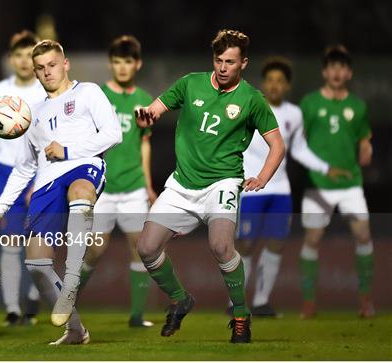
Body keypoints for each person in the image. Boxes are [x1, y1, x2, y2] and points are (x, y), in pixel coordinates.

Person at [134, 29, 285, 343]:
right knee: (146, 248)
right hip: (181, 184)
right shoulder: (191, 83)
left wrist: (262, 177)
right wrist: (147, 117)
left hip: (223, 183)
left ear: (243, 63)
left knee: (220, 246)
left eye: (230, 61)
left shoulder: (252, 99)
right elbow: (155, 109)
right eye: (219, 60)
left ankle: (241, 314)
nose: (223, 67)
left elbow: (277, 145)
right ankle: (179, 299)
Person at [0, 40, 122, 344]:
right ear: (35, 72)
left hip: (83, 165)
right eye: (41, 68)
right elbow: (23, 168)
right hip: (47, 182)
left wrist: (68, 150)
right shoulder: (31, 115)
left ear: (65, 63)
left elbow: (113, 134)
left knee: (81, 191)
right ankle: (75, 331)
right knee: (36, 264)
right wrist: (0, 206)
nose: (48, 72)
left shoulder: (88, 92)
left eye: (52, 65)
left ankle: (72, 277)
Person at [233, 57, 352, 317]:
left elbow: (298, 149)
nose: (275, 85)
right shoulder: (250, 107)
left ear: (287, 86)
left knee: (276, 243)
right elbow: (235, 145)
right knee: (246, 244)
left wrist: (325, 168)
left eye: (280, 81)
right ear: (263, 83)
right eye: (270, 80)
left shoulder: (294, 114)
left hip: (280, 191)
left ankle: (262, 301)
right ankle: (237, 301)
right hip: (251, 189)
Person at [78, 35, 156, 328]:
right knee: (96, 248)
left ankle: (137, 315)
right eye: (117, 62)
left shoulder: (145, 99)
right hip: (104, 187)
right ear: (110, 64)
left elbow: (145, 143)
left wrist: (148, 184)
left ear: (137, 64)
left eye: (128, 62)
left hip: (134, 186)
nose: (122, 68)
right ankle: (68, 302)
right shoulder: (97, 96)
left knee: (141, 249)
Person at [299, 45, 375, 319]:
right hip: (318, 184)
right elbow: (298, 137)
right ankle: (308, 303)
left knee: (363, 235)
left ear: (349, 72)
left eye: (342, 66)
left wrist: (367, 147)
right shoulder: (309, 103)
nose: (336, 71)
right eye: (331, 66)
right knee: (313, 239)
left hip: (350, 183)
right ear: (324, 71)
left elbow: (364, 136)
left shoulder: (357, 106)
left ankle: (366, 301)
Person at [0, 30, 47, 327]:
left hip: (38, 172)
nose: (24, 61)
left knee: (39, 240)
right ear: (11, 59)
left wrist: (40, 179)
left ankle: (34, 297)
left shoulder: (45, 91)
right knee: (10, 242)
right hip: (7, 169)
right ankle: (11, 307)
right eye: (19, 55)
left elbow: (49, 137)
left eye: (29, 55)